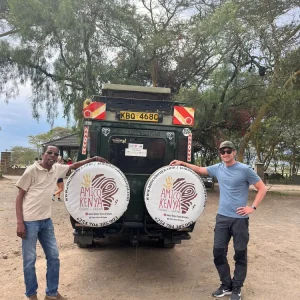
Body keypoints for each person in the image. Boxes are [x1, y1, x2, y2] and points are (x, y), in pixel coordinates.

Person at [170, 141, 267, 300]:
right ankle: (226, 285)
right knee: (218, 252)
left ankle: (237, 288)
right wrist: (182, 163)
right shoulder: (218, 168)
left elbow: (262, 188)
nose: (225, 154)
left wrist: (252, 207)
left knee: (240, 254)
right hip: (222, 218)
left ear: (234, 152)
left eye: (229, 151)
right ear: (220, 153)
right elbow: (201, 170)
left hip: (240, 220)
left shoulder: (245, 170)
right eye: (223, 151)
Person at [15, 145, 107, 300]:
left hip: (46, 221)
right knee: (29, 261)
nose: (52, 156)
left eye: (55, 154)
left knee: (54, 257)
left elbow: (74, 165)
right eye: (49, 153)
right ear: (43, 154)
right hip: (30, 222)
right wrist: (20, 222)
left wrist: (94, 159)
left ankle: (51, 293)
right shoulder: (31, 170)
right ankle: (31, 295)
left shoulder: (56, 169)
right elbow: (19, 197)